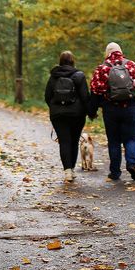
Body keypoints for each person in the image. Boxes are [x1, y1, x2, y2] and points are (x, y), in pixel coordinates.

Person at [89, 42, 135, 181]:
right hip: (131, 108)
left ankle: (115, 172)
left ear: (107, 53)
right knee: (131, 138)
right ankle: (132, 164)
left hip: (111, 109)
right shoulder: (132, 65)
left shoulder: (102, 68)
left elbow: (95, 91)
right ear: (121, 51)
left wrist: (92, 111)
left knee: (114, 141)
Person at [44, 51, 92, 182]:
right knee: (74, 141)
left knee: (64, 141)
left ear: (60, 61)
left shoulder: (53, 76)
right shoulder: (79, 76)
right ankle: (72, 168)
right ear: (73, 61)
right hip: (76, 115)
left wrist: (55, 108)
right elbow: (85, 97)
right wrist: (90, 112)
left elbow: (47, 96)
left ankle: (68, 172)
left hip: (58, 115)